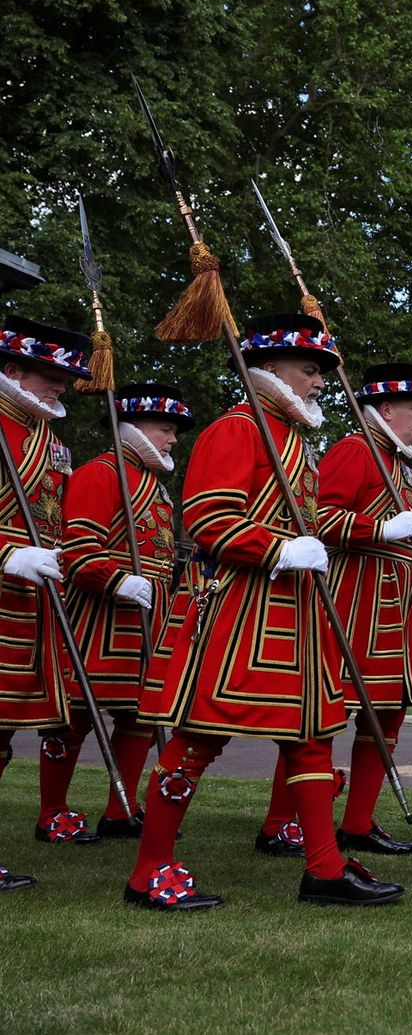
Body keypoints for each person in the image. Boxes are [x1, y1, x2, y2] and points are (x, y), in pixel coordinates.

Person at [130, 312, 406, 911]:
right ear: (272, 370)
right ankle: (149, 868)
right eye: (309, 370)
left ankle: (325, 868)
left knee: (310, 739)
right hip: (241, 613)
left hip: (294, 614)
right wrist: (280, 546)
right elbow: (206, 520)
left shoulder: (289, 437)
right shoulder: (237, 429)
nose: (319, 382)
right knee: (196, 741)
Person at [49, 382, 193, 845]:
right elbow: (79, 551)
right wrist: (119, 581)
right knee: (74, 717)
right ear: (134, 426)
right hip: (98, 617)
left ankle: (121, 810)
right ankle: (52, 812)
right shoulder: (102, 472)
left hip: (145, 620)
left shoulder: (154, 485)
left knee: (140, 718)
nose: (173, 440)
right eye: (165, 429)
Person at [323, 364, 412, 857]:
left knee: (387, 716)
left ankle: (358, 822)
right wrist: (380, 530)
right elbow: (319, 516)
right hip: (357, 603)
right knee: (328, 715)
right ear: (386, 410)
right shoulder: (354, 449)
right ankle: (286, 821)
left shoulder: (399, 463)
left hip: (395, 605)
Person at [0, 315, 93, 894]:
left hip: (28, 608)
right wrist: (6, 554)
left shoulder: (50, 443)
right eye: (49, 376)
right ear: (12, 370)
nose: (61, 387)